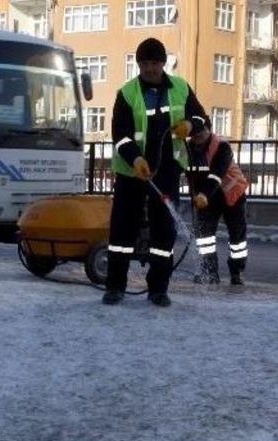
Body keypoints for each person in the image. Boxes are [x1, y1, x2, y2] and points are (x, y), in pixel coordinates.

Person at [102, 37, 209, 307]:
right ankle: (115, 286)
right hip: (132, 174)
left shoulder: (181, 88)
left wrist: (189, 125)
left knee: (164, 233)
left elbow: (201, 119)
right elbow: (121, 135)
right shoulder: (127, 93)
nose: (149, 69)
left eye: (154, 63)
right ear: (138, 64)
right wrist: (135, 159)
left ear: (163, 63)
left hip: (167, 172)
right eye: (144, 64)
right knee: (122, 233)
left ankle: (158, 289)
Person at [187, 117, 249, 285]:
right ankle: (209, 273)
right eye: (193, 135)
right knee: (204, 237)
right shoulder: (189, 147)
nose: (197, 137)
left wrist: (203, 194)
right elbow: (189, 173)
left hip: (232, 194)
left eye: (200, 133)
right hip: (206, 197)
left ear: (209, 130)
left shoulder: (222, 146)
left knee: (237, 238)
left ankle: (237, 272)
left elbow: (217, 173)